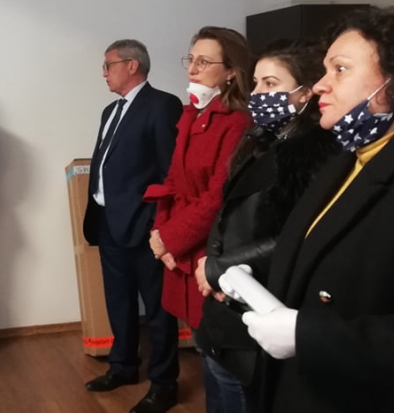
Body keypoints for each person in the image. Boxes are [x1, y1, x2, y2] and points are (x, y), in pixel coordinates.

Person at [236, 7, 394, 412]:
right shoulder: (346, 159)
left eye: (340, 70)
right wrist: (251, 275)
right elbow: (319, 253)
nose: (321, 85)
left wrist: (306, 335)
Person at [192, 40, 339, 413]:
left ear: (305, 92)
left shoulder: (317, 155)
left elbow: (298, 236)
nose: (257, 94)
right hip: (222, 305)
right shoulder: (258, 140)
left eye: (271, 84)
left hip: (257, 306)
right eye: (256, 83)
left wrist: (219, 268)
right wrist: (212, 266)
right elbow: (226, 212)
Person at [143, 26, 251, 410]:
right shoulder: (191, 114)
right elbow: (172, 180)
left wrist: (171, 239)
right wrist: (160, 235)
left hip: (210, 250)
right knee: (205, 353)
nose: (192, 69)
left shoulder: (238, 122)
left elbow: (217, 197)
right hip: (181, 245)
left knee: (222, 361)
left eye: (204, 62)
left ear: (231, 71)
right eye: (191, 60)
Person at [82, 40, 183, 413]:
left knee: (157, 308)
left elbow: (170, 172)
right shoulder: (111, 110)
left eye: (108, 65)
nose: (104, 73)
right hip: (107, 221)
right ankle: (123, 366)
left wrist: (159, 225)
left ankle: (164, 384)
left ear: (132, 65)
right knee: (118, 300)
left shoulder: (162, 105)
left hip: (144, 226)